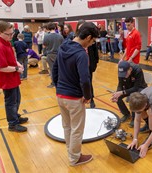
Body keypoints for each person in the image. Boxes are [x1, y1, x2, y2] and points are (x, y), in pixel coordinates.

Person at [52, 22, 99, 166]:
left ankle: (71, 153)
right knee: (77, 129)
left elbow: (55, 69)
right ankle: (74, 158)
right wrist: (87, 95)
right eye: (92, 41)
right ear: (88, 37)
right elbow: (84, 79)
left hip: (61, 95)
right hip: (73, 98)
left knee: (67, 127)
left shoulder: (63, 46)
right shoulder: (81, 54)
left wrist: (58, 87)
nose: (91, 45)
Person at [0, 21, 28, 132]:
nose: (11, 36)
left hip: (12, 76)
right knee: (11, 102)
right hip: (6, 79)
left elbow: (10, 58)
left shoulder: (6, 41)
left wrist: (17, 63)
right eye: (9, 34)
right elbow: (1, 67)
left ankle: (15, 116)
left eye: (12, 33)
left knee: (16, 99)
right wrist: (17, 69)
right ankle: (12, 124)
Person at [111, 61, 147, 127]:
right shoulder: (121, 71)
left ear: (130, 69)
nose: (124, 76)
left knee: (132, 97)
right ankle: (126, 114)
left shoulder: (138, 70)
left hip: (140, 88)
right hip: (129, 87)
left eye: (126, 73)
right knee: (118, 98)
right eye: (122, 74)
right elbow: (120, 84)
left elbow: (136, 87)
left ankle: (134, 118)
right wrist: (117, 93)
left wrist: (122, 92)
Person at [75, 19, 99, 108]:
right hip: (79, 65)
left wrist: (95, 63)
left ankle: (91, 98)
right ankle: (83, 97)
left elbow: (95, 53)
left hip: (89, 65)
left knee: (89, 83)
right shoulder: (75, 43)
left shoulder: (91, 40)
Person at [43, 22, 64, 88]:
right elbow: (63, 45)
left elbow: (44, 46)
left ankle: (53, 83)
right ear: (55, 27)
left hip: (50, 54)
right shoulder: (60, 36)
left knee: (52, 69)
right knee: (60, 69)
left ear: (48, 28)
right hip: (59, 54)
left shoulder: (46, 36)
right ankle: (60, 82)